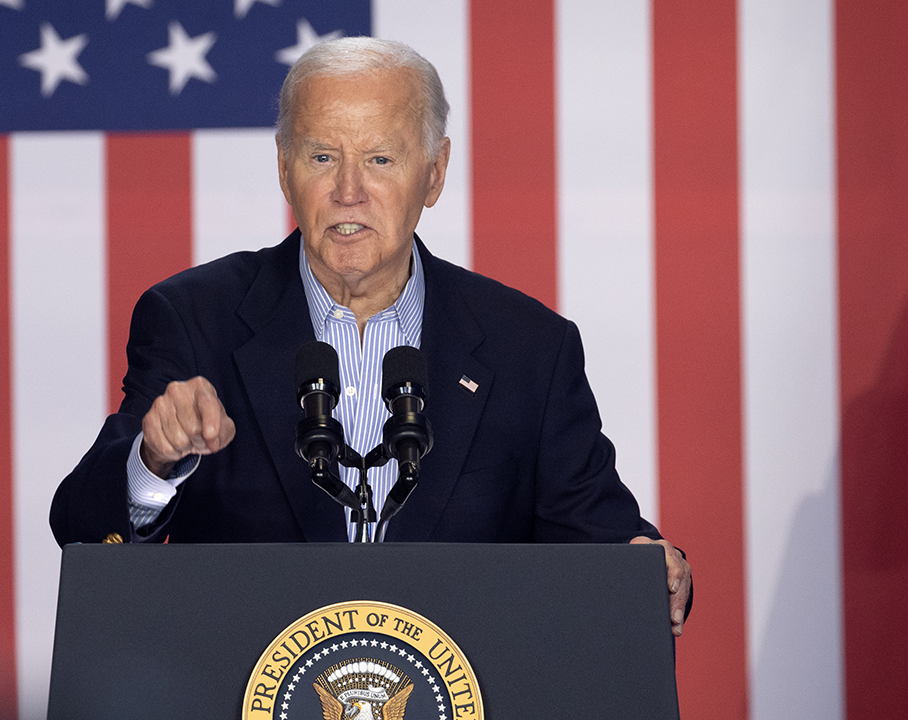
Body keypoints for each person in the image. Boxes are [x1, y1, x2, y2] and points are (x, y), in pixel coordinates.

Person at [50, 37, 692, 635]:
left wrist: (648, 568)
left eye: (380, 159)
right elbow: (81, 528)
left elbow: (599, 539)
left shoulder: (528, 347)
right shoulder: (194, 318)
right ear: (284, 169)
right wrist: (154, 460)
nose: (348, 191)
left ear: (434, 173)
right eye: (322, 156)